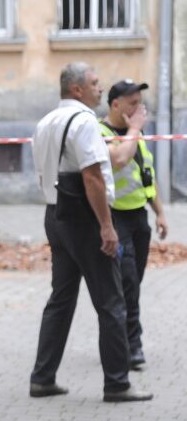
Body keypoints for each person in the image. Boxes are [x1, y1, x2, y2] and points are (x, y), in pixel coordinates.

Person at [28, 62, 152, 403]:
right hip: (84, 218)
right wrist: (106, 226)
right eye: (95, 84)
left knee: (60, 300)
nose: (100, 88)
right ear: (77, 89)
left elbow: (42, 173)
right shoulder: (83, 122)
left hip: (55, 214)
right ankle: (117, 383)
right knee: (112, 302)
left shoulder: (46, 121)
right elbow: (93, 177)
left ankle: (42, 378)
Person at [100, 79, 169, 370]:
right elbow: (119, 160)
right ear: (115, 105)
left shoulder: (135, 134)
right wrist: (135, 128)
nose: (139, 108)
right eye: (132, 103)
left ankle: (117, 337)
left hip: (139, 218)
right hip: (116, 218)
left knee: (133, 284)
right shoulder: (101, 132)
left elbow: (146, 175)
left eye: (140, 102)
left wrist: (160, 213)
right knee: (127, 284)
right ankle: (133, 346)